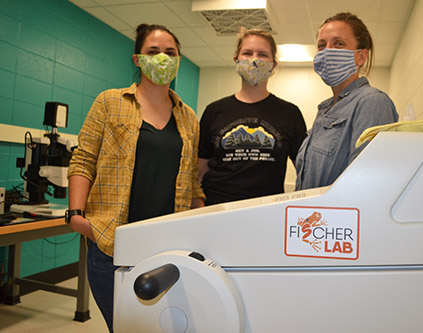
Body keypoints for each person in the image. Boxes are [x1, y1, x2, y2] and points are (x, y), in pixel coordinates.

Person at [66, 24, 205, 332]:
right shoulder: (109, 102)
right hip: (111, 242)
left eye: (170, 52)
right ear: (137, 59)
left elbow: (193, 180)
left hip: (167, 246)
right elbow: (84, 159)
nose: (162, 59)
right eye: (153, 52)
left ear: (179, 59)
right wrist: (77, 216)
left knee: (161, 326)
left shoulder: (188, 117)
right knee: (124, 327)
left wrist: (198, 232)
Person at [198, 27, 307, 205]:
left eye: (263, 54)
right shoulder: (214, 111)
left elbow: (305, 172)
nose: (254, 60)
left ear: (273, 65)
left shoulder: (290, 113)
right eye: (247, 53)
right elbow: (199, 172)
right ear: (236, 60)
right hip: (216, 211)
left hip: (266, 214)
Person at [295, 12, 399, 190]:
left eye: (339, 44)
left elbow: (365, 185)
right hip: (311, 216)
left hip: (335, 217)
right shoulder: (327, 109)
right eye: (322, 46)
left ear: (361, 56)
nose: (327, 51)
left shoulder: (372, 102)